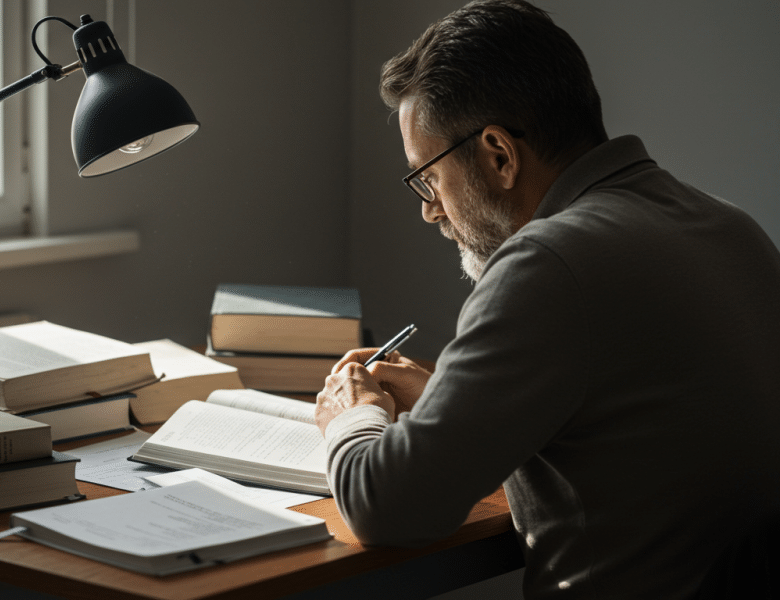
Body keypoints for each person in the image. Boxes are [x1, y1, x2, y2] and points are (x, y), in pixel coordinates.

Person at [313, 1, 780, 598]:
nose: (430, 209)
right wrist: (446, 405)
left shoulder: (547, 263)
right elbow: (628, 433)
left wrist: (350, 414)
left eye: (427, 176)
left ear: (499, 154)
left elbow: (388, 510)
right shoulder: (728, 227)